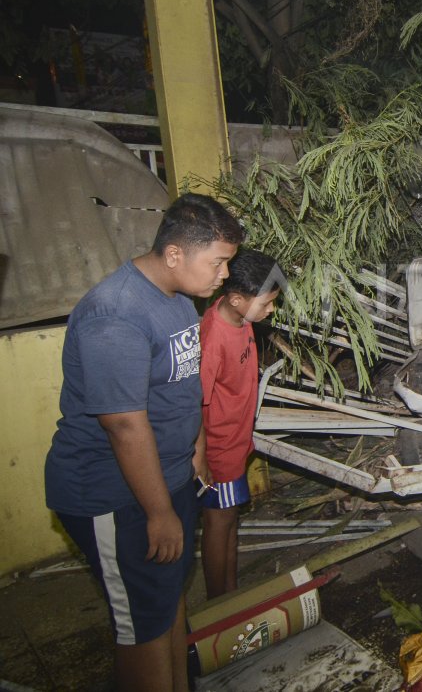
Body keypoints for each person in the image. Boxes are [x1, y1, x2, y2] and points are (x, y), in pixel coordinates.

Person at [45, 193, 242, 692]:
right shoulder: (115, 314)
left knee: (167, 599)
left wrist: (195, 449)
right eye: (217, 262)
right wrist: (158, 512)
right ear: (175, 254)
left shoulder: (176, 299)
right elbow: (124, 425)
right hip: (117, 494)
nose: (223, 275)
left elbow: (183, 385)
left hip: (168, 478)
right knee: (142, 628)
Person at [196, 249, 285, 600]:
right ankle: (219, 601)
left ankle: (230, 591)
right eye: (266, 304)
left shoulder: (240, 319)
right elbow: (196, 405)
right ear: (235, 299)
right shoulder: (213, 341)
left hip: (236, 441)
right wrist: (200, 457)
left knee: (230, 520)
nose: (271, 311)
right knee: (218, 524)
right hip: (218, 449)